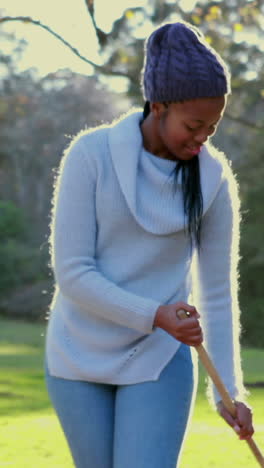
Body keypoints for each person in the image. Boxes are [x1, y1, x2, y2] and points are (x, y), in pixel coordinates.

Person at [44, 21, 255, 468]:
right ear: (157, 105)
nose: (202, 139)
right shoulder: (90, 155)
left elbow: (216, 293)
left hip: (158, 359)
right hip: (76, 353)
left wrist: (229, 393)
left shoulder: (213, 181)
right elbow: (73, 272)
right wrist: (154, 315)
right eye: (194, 125)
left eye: (212, 128)